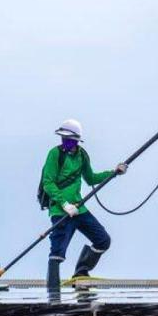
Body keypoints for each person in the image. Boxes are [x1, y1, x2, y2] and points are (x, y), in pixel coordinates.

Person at [41, 118, 128, 290]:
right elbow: (48, 183)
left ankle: (81, 272)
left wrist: (114, 172)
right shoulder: (55, 154)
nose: (65, 142)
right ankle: (53, 297)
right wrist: (64, 204)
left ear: (76, 140)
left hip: (79, 209)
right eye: (63, 139)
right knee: (57, 253)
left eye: (69, 140)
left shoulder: (82, 155)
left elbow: (91, 178)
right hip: (61, 211)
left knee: (103, 240)